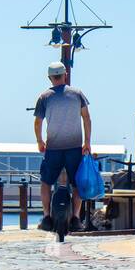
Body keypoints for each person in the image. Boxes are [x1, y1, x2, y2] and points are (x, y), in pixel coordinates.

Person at [33, 61, 91, 232]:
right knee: (77, 184)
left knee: (46, 182)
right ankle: (75, 218)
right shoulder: (77, 94)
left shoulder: (44, 97)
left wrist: (40, 141)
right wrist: (87, 142)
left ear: (50, 77)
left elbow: (38, 122)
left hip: (53, 148)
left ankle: (46, 217)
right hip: (74, 147)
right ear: (65, 75)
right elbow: (86, 118)